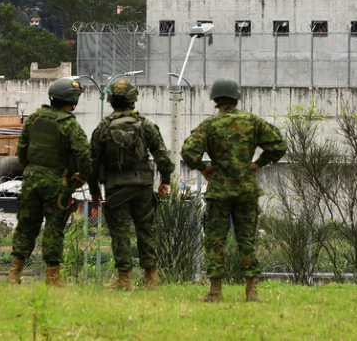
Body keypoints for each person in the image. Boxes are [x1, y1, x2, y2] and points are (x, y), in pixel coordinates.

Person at [181, 78, 286, 303]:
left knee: (215, 241)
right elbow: (279, 145)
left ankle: (215, 292)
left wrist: (203, 168)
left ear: (215, 100)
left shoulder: (209, 126)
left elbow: (188, 152)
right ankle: (251, 293)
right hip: (246, 190)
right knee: (246, 240)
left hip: (219, 192)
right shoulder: (252, 122)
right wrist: (257, 164)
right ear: (236, 98)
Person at [89, 79, 174, 291]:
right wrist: (165, 181)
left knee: (121, 234)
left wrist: (94, 191)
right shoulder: (146, 125)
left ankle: (125, 280)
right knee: (146, 231)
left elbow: (91, 162)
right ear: (133, 101)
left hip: (115, 188)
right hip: (143, 187)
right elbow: (162, 156)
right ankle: (151, 280)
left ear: (111, 102)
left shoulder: (103, 127)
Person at [8, 78, 92, 287]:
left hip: (31, 179)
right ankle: (53, 277)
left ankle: (14, 274)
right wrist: (82, 176)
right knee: (54, 228)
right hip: (57, 182)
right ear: (71, 101)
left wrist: (32, 169)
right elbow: (83, 155)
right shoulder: (69, 124)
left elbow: (22, 151)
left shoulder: (34, 118)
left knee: (26, 226)